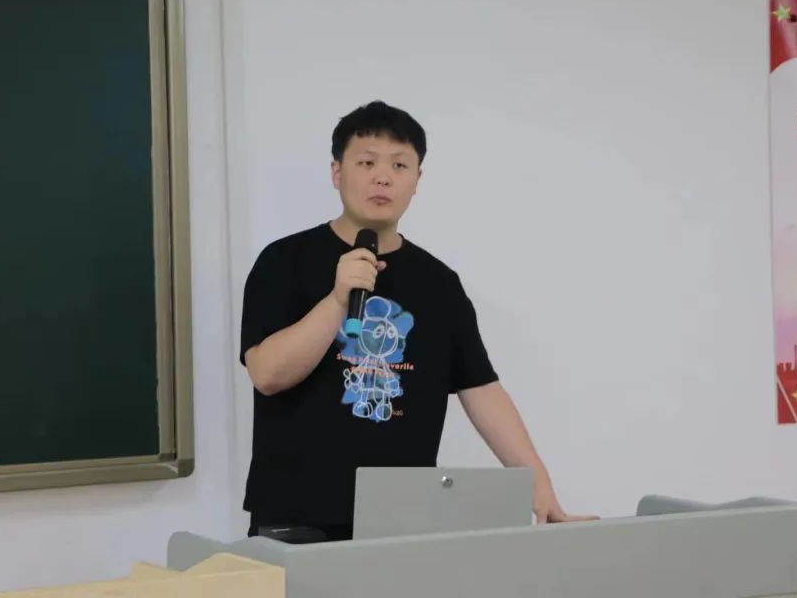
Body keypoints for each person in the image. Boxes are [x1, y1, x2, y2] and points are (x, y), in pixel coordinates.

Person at [238, 100, 596, 541]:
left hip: (404, 519)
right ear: (336, 172)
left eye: (399, 165)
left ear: (417, 180)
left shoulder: (438, 283)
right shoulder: (283, 261)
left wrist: (540, 489)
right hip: (296, 515)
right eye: (366, 162)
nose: (383, 177)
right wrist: (337, 299)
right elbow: (267, 374)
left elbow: (481, 389)